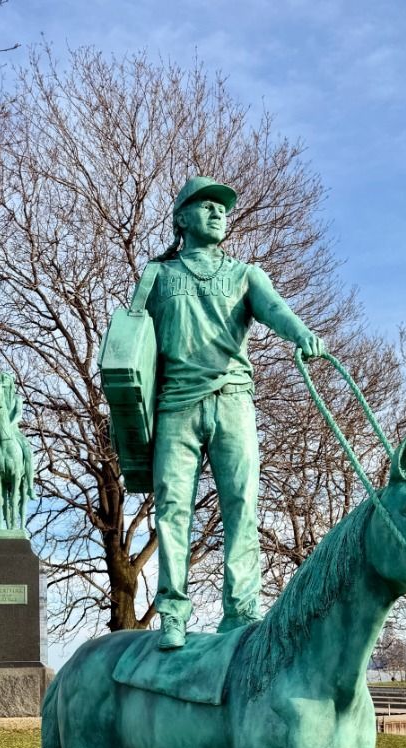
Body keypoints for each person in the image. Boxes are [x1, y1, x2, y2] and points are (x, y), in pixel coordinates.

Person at [143, 176, 323, 649]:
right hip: (175, 406)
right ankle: (173, 614)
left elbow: (276, 308)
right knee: (172, 510)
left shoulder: (246, 274)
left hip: (233, 401)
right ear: (182, 218)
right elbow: (131, 344)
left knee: (242, 505)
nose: (218, 213)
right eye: (205, 206)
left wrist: (300, 334)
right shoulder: (158, 276)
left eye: (222, 207)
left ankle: (241, 611)